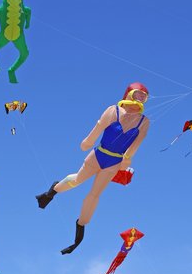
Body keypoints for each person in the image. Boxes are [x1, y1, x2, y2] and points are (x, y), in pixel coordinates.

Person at [36, 83, 150, 254]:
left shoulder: (144, 122)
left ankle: (80, 227)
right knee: (77, 180)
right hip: (97, 155)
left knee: (95, 194)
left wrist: (127, 158)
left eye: (143, 97)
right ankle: (52, 192)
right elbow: (98, 128)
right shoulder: (113, 111)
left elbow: (136, 144)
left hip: (114, 163)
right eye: (137, 95)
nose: (140, 99)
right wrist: (88, 141)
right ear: (128, 94)